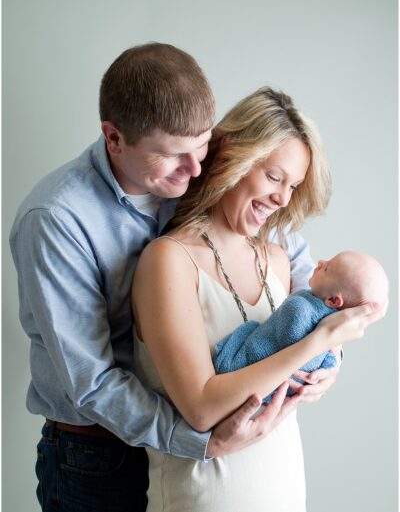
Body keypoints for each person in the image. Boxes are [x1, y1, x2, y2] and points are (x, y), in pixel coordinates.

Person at [8, 43, 338, 512]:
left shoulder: (187, 172)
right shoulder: (57, 219)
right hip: (96, 454)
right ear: (114, 138)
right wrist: (204, 440)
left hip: (187, 446)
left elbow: (294, 261)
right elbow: (92, 382)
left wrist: (330, 348)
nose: (197, 169)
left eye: (203, 146)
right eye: (176, 155)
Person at [131, 86, 385, 512]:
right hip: (199, 497)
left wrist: (330, 358)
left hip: (283, 489)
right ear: (232, 155)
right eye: (273, 176)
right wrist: (319, 342)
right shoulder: (168, 260)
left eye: (294, 185)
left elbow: (304, 349)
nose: (283, 199)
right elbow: (201, 407)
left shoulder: (279, 262)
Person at [214, 251, 389, 403]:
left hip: (245, 371)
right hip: (275, 392)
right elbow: (329, 362)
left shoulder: (300, 308)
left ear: (333, 300)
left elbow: (292, 342)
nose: (320, 262)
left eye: (326, 268)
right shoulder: (326, 327)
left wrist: (322, 341)